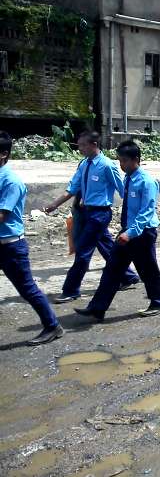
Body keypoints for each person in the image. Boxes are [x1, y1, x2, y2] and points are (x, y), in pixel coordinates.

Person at [74, 140, 160, 321]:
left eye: (125, 161)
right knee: (112, 269)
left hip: (142, 233)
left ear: (136, 159)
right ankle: (97, 307)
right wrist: (126, 231)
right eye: (120, 161)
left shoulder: (147, 181)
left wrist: (130, 233)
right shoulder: (128, 179)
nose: (121, 165)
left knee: (148, 270)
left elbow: (146, 212)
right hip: (128, 231)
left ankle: (158, 302)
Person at [44, 131, 139, 303]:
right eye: (79, 145)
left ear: (94, 145)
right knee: (107, 246)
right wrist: (54, 204)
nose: (80, 148)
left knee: (83, 251)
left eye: (83, 145)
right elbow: (73, 188)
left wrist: (133, 214)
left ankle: (71, 290)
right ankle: (127, 276)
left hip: (100, 214)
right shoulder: (84, 164)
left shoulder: (107, 165)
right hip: (86, 213)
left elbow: (123, 189)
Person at [0, 132, 64, 345]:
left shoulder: (11, 182)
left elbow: (2, 215)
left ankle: (52, 326)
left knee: (27, 289)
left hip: (10, 246)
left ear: (3, 154)